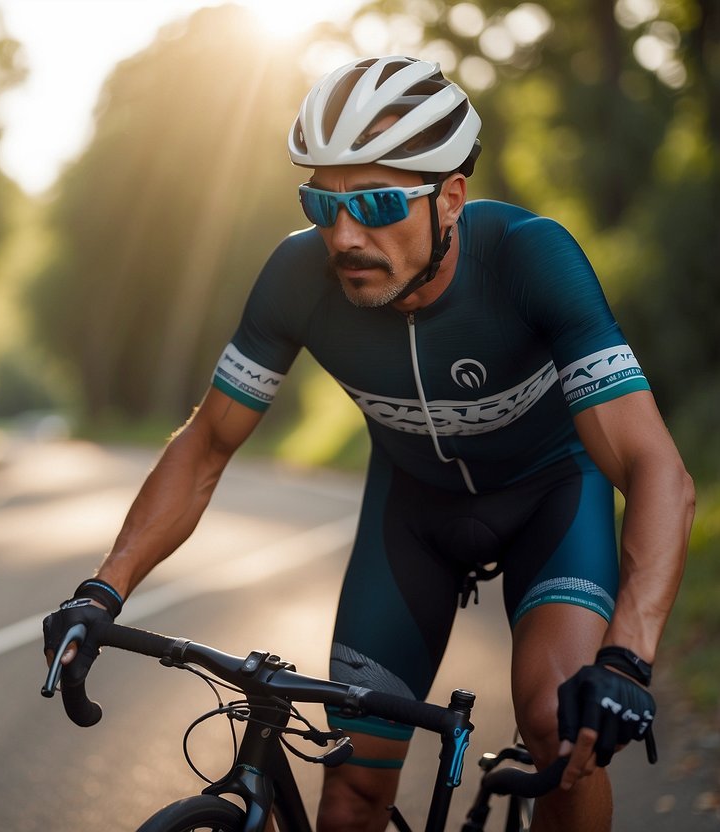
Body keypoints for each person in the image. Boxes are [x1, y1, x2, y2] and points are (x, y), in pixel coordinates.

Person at [42, 55, 694, 831]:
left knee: (559, 726)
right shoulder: (296, 276)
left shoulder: (529, 258)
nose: (344, 235)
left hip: (549, 498)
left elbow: (656, 470)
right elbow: (207, 444)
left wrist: (625, 658)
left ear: (450, 196)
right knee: (349, 794)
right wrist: (101, 589)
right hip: (411, 519)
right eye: (322, 202)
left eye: (379, 201)